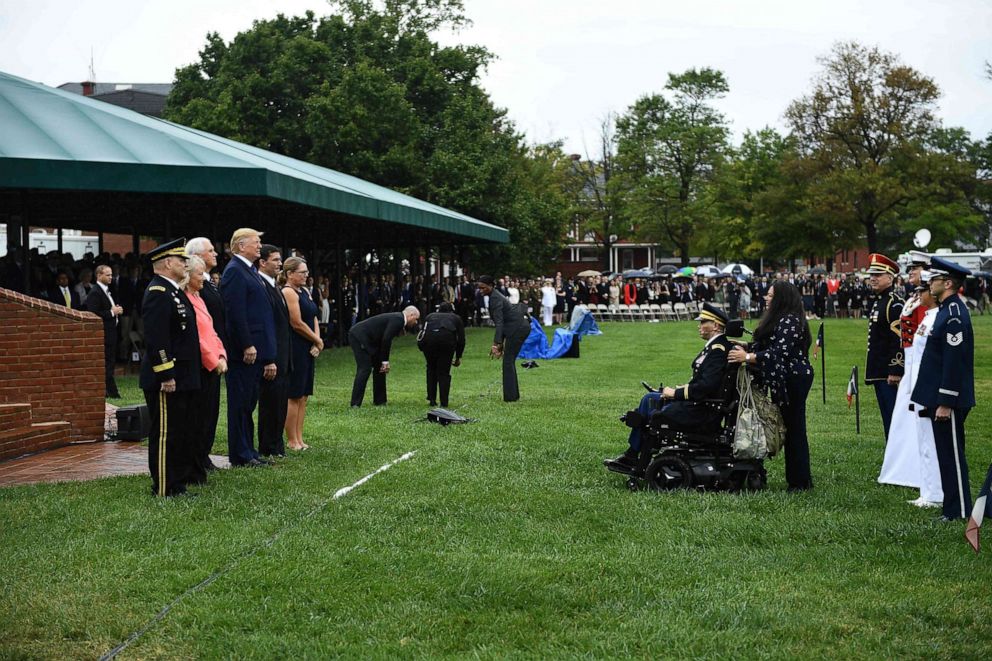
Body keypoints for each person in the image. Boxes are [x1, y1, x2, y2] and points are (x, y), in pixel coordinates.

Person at [605, 303, 731, 474]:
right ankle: (632, 454)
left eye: (703, 322)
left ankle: (635, 457)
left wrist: (676, 393)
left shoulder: (718, 350)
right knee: (650, 399)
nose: (699, 326)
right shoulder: (715, 346)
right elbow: (702, 382)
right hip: (699, 403)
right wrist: (681, 389)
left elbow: (706, 387)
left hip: (702, 410)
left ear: (715, 326)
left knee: (652, 411)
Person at [728, 281, 814, 492]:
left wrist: (747, 356)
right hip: (783, 377)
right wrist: (746, 347)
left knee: (794, 429)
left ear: (782, 299)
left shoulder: (791, 321)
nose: (766, 298)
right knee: (789, 427)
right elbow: (768, 345)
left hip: (793, 379)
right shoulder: (780, 319)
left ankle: (800, 482)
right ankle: (796, 478)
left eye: (770, 296)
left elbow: (779, 353)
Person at [911, 256, 975, 521]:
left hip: (948, 399)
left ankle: (958, 510)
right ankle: (952, 508)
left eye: (934, 279)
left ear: (948, 283)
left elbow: (954, 362)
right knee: (946, 456)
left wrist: (946, 401)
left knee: (952, 458)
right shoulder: (946, 311)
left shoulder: (954, 316)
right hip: (937, 396)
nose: (930, 283)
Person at [139, 238, 201, 497]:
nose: (185, 264)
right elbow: (157, 338)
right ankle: (165, 486)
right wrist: (165, 373)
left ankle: (177, 481)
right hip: (167, 376)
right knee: (165, 433)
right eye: (181, 260)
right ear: (167, 263)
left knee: (178, 431)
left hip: (183, 375)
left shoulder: (173, 291)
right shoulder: (158, 293)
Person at [220, 228, 275, 468]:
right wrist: (247, 344)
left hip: (256, 349)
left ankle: (249, 450)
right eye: (256, 242)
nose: (260, 246)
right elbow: (235, 313)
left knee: (249, 402)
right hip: (243, 352)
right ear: (241, 246)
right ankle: (240, 454)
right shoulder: (234, 272)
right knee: (240, 402)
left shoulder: (249, 271)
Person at [879, 251, 930, 490]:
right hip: (910, 361)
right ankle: (902, 469)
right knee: (903, 417)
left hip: (919, 361)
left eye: (915, 269)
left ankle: (916, 470)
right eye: (910, 269)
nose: (910, 272)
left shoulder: (930, 301)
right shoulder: (913, 298)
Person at [181, 255, 228, 483]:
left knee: (209, 416)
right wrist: (213, 359)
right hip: (200, 366)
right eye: (200, 275)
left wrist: (221, 354)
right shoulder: (185, 299)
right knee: (197, 419)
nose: (204, 279)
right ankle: (194, 466)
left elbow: (211, 330)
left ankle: (202, 461)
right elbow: (196, 336)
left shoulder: (199, 297)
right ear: (188, 276)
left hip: (213, 364)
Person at [902, 271, 943, 508]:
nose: (918, 295)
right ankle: (927, 490)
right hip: (919, 385)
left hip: (929, 386)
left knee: (932, 441)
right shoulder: (928, 316)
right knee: (923, 441)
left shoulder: (939, 318)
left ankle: (936, 493)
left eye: (922, 291)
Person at [281, 257, 322, 449]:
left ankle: (300, 437)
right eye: (302, 272)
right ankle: (291, 440)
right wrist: (316, 339)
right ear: (290, 274)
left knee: (304, 394)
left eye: (306, 272)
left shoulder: (305, 291)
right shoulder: (288, 292)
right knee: (294, 394)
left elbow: (313, 316)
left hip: (309, 345)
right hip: (296, 347)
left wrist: (317, 341)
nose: (306, 275)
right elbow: (296, 322)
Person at [865, 253, 904, 444]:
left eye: (878, 274)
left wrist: (896, 369)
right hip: (880, 372)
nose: (873, 278)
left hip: (889, 374)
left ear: (890, 278)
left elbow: (898, 339)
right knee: (888, 420)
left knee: (894, 421)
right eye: (871, 274)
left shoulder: (893, 303)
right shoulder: (880, 301)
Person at [257, 245, 292, 458]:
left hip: (283, 354)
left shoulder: (274, 286)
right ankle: (268, 446)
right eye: (275, 260)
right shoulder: (261, 286)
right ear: (262, 262)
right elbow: (264, 324)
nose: (280, 263)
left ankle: (277, 444)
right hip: (272, 355)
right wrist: (269, 358)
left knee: (280, 401)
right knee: (270, 402)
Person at [349, 306, 420, 407]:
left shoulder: (397, 318)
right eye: (416, 319)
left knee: (379, 368)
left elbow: (384, 338)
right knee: (365, 368)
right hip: (359, 336)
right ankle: (355, 403)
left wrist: (382, 362)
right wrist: (385, 361)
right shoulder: (399, 320)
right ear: (411, 315)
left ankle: (380, 400)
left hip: (370, 339)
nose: (416, 322)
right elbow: (386, 340)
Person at [477, 275, 531, 402]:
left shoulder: (495, 299)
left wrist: (496, 343)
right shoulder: (494, 296)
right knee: (508, 361)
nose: (480, 290)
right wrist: (500, 343)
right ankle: (513, 395)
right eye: (479, 288)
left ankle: (511, 397)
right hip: (518, 327)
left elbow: (500, 323)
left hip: (518, 328)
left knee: (508, 361)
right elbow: (501, 322)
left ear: (491, 286)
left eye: (483, 288)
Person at [84, 265, 124, 398]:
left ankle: (109, 392)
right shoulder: (95, 292)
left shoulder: (106, 291)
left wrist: (116, 311)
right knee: (108, 363)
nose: (111, 277)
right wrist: (113, 312)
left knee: (110, 362)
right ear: (99, 275)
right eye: (107, 275)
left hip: (112, 332)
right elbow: (93, 313)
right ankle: (111, 392)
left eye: (111, 275)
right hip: (104, 333)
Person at [418, 302, 465, 407]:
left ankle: (432, 399)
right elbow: (461, 340)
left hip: (429, 344)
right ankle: (444, 402)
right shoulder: (455, 318)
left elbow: (422, 332)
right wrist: (458, 356)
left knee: (431, 369)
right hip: (447, 344)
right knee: (444, 372)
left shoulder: (430, 316)